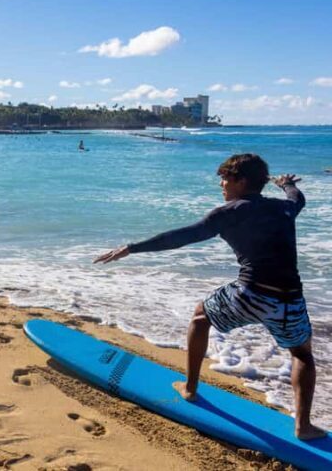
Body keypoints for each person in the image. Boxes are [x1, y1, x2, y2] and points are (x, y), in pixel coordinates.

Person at [94, 153, 324, 440]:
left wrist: (132, 247)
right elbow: (297, 198)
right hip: (289, 300)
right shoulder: (284, 209)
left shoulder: (228, 213)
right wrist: (286, 184)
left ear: (241, 181)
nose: (222, 185)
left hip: (250, 294)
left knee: (201, 317)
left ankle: (190, 388)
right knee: (302, 354)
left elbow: (182, 237)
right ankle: (303, 426)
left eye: (225, 179)